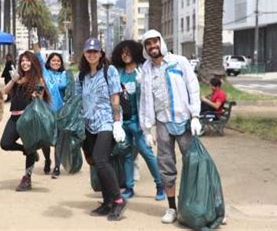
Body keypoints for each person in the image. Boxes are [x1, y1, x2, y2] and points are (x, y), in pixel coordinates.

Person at [138, 29, 202, 224]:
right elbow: (145, 101)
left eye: (154, 42)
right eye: (148, 44)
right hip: (163, 124)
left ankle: (204, 206)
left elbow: (193, 87)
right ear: (145, 48)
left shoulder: (179, 62)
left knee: (194, 164)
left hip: (184, 122)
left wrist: (195, 116)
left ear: (161, 42)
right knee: (166, 167)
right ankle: (172, 208)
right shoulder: (146, 70)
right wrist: (146, 130)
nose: (152, 46)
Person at [75, 38, 128, 221]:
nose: (92, 54)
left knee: (101, 159)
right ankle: (107, 202)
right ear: (84, 53)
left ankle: (119, 200)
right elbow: (76, 101)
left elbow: (115, 97)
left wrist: (117, 123)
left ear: (101, 53)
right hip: (88, 124)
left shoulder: (109, 71)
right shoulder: (81, 76)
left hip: (106, 121)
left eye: (95, 51)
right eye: (89, 51)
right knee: (96, 162)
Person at [110, 40, 165, 201]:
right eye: (122, 52)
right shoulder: (118, 73)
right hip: (122, 122)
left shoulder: (142, 72)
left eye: (128, 52)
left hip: (138, 122)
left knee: (147, 153)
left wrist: (148, 123)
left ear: (135, 52)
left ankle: (160, 185)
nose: (125, 55)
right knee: (127, 155)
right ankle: (129, 187)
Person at [0, 51, 50, 191]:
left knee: (30, 146)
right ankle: (29, 151)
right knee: (5, 143)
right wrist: (13, 80)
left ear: (33, 62)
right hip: (14, 117)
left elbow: (41, 97)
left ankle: (27, 178)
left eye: (28, 60)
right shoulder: (17, 78)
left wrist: (37, 94)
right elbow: (4, 91)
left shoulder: (37, 79)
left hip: (28, 119)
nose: (25, 63)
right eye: (22, 61)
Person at [33, 35, 67, 177]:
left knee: (59, 141)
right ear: (49, 62)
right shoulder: (44, 72)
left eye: (58, 60)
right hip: (46, 111)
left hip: (60, 112)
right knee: (46, 139)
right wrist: (35, 41)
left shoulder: (65, 74)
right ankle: (47, 160)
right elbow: (38, 56)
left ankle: (57, 167)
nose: (55, 62)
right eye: (53, 60)